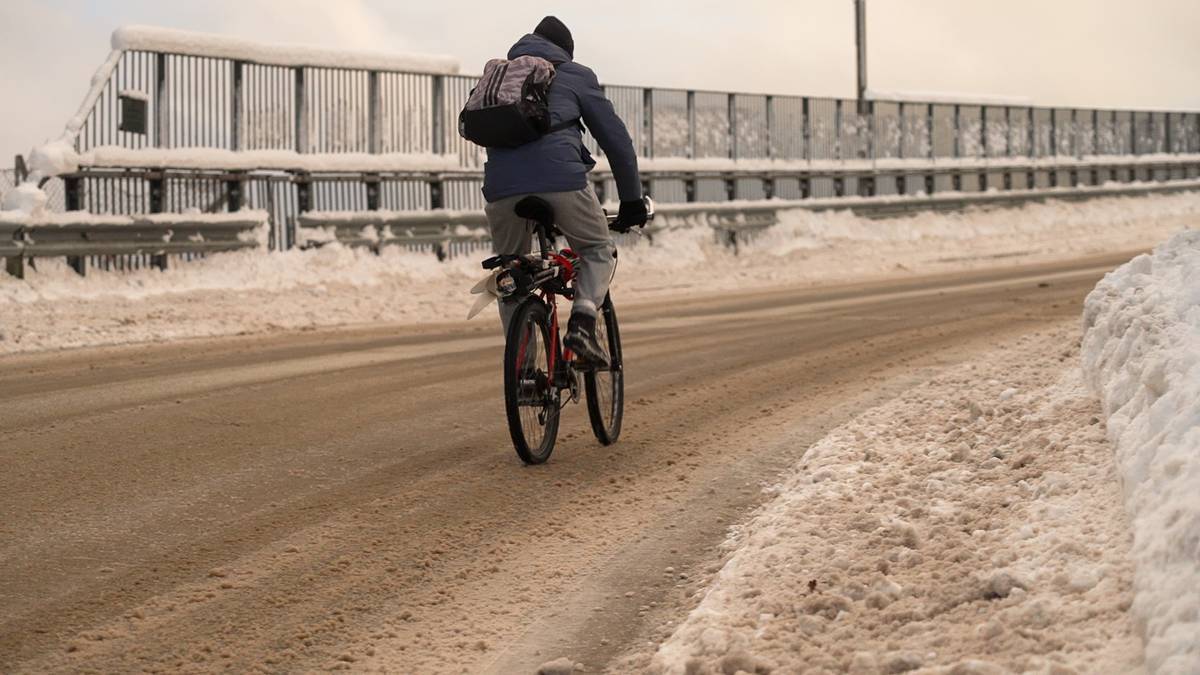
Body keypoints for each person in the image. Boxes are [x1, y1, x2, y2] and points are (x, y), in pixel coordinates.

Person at [482, 15, 646, 365]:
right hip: (561, 181)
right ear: (565, 51)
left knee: (512, 274)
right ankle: (583, 324)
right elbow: (616, 142)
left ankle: (524, 371)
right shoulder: (575, 74)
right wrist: (632, 200)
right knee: (598, 249)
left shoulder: (499, 76)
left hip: (500, 188)